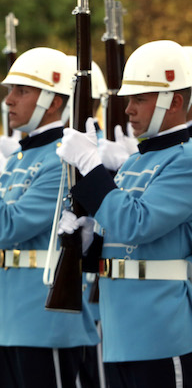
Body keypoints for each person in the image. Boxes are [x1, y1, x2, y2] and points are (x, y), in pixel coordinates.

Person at [0, 47, 99, 387]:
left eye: (21, 91)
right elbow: (3, 238)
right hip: (4, 322)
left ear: (53, 101)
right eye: (10, 90)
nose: (8, 100)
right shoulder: (18, 160)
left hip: (44, 323)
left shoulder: (61, 162)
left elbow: (9, 225)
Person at [57, 40, 192, 387]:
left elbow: (137, 224)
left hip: (161, 331)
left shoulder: (186, 160)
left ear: (174, 101)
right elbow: (114, 233)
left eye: (139, 99)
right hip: (119, 333)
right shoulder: (134, 162)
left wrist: (90, 165)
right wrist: (87, 238)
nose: (128, 109)